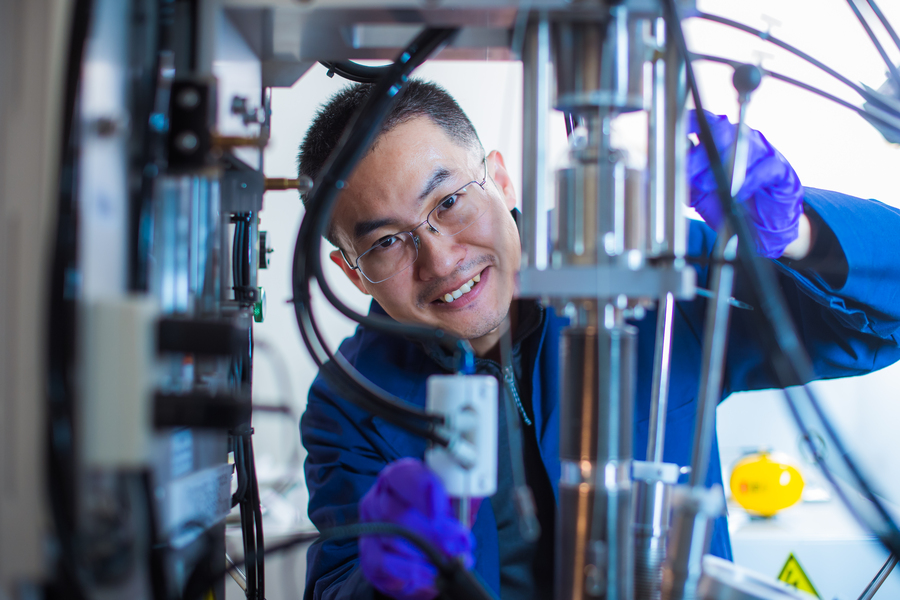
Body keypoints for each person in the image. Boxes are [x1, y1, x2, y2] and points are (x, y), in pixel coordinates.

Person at [297, 80, 900, 600]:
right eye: (386, 242)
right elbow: (337, 584)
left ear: (501, 180)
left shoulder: (640, 271)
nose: (440, 259)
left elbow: (876, 323)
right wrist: (386, 583)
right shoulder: (349, 403)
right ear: (352, 272)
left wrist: (798, 235)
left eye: (450, 201)